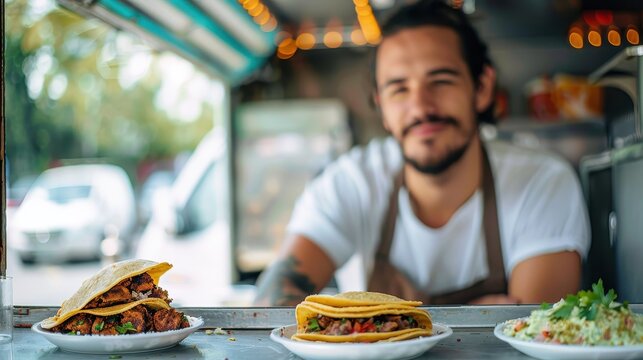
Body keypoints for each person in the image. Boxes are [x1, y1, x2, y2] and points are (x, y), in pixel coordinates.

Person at [254, 0, 590, 306]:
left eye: (441, 81)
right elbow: (273, 301)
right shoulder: (350, 182)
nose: (421, 107)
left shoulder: (541, 181)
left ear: (483, 88)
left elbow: (537, 333)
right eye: (399, 88)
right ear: (382, 106)